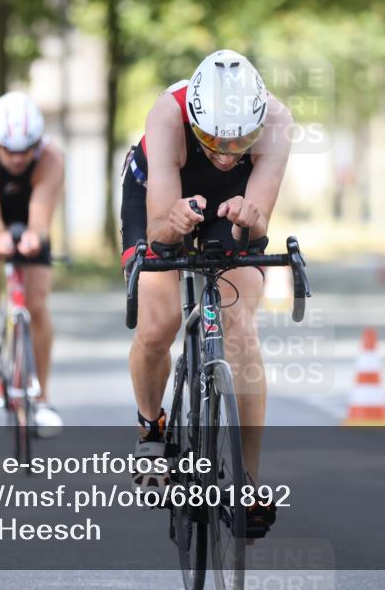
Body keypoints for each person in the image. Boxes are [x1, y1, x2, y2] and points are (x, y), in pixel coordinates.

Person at [120, 49, 291, 536]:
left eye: (240, 141)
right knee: (159, 322)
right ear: (195, 119)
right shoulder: (167, 114)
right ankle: (151, 426)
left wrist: (246, 219)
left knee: (240, 323)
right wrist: (173, 224)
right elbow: (157, 231)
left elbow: (255, 226)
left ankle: (246, 479)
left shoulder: (277, 121)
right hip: (158, 194)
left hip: (231, 204)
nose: (225, 152)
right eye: (214, 139)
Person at [0, 91, 65, 435]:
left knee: (36, 303)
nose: (18, 159)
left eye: (26, 150)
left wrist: (35, 236)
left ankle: (43, 399)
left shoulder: (50, 158)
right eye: (10, 151)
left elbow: (41, 213)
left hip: (31, 206)